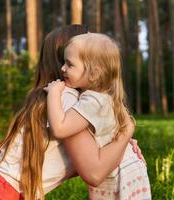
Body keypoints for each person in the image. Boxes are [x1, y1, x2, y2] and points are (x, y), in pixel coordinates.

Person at [0, 25, 143, 200]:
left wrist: (118, 141)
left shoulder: (58, 98)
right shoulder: (67, 100)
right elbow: (94, 172)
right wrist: (126, 131)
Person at [45, 33, 151, 200]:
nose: (63, 68)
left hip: (119, 175)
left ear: (94, 73)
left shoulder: (94, 101)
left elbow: (60, 128)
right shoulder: (103, 98)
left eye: (70, 64)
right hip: (124, 169)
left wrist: (53, 92)